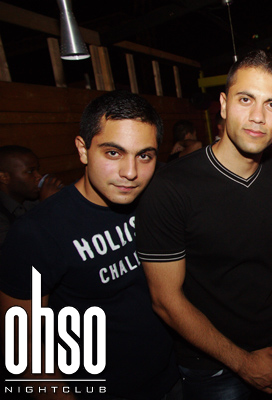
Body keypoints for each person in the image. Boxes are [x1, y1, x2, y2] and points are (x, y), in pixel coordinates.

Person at [136, 50, 272, 400]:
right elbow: (165, 299)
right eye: (246, 99)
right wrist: (243, 363)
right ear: (224, 105)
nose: (258, 116)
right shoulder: (171, 187)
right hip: (213, 368)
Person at [0, 91, 180, 399]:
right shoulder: (37, 232)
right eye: (113, 153)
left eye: (144, 156)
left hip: (172, 379)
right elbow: (25, 352)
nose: (130, 172)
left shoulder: (155, 199)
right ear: (83, 150)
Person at [0, 145, 62, 244]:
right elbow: (20, 247)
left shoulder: (31, 201)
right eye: (30, 171)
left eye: (37, 170)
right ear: (4, 177)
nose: (39, 176)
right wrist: (46, 207)